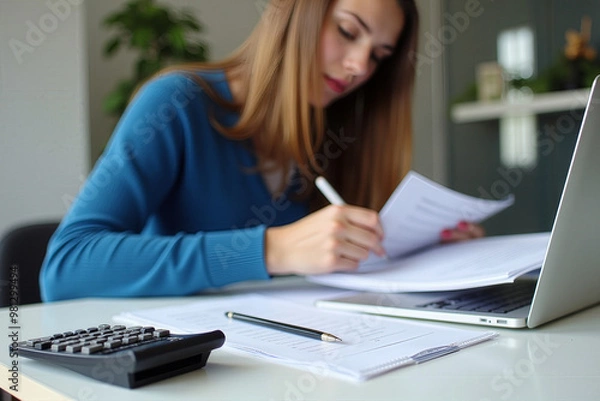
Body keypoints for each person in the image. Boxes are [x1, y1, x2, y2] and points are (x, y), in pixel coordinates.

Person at [40, 0, 483, 302]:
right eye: (348, 32)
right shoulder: (177, 104)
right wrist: (271, 249)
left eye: (379, 55)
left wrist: (420, 249)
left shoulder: (339, 132)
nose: (359, 67)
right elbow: (65, 268)